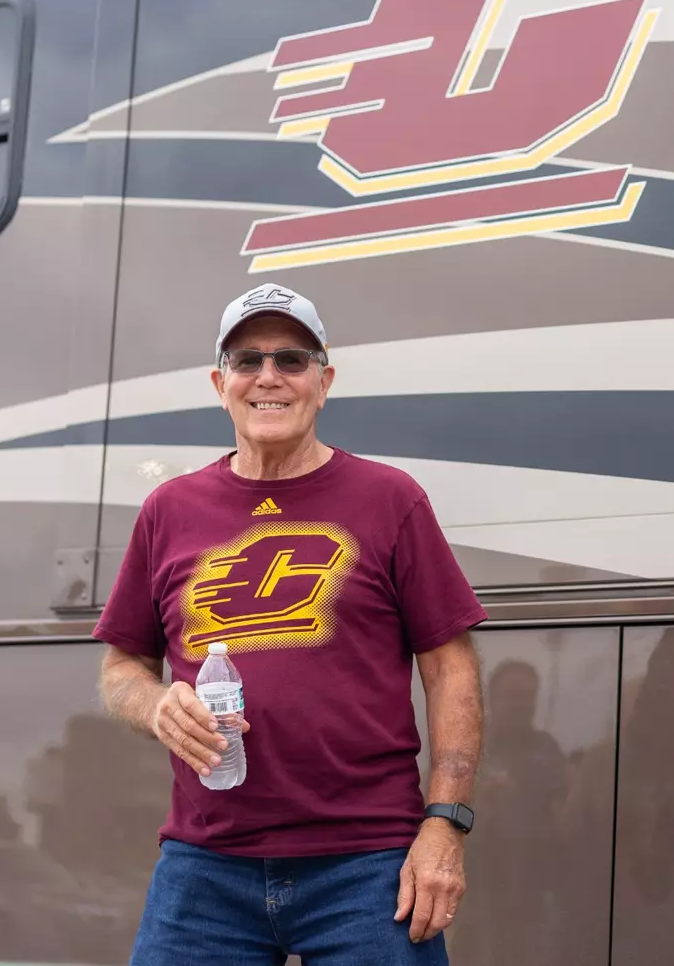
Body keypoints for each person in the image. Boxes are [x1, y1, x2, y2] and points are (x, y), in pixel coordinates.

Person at [93, 281, 487, 965]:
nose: (268, 377)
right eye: (247, 360)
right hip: (205, 865)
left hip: (367, 866)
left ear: (324, 380)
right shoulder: (169, 510)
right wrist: (158, 706)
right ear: (221, 383)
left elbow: (451, 666)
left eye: (291, 359)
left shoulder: (389, 500)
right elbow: (121, 667)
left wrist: (444, 825)